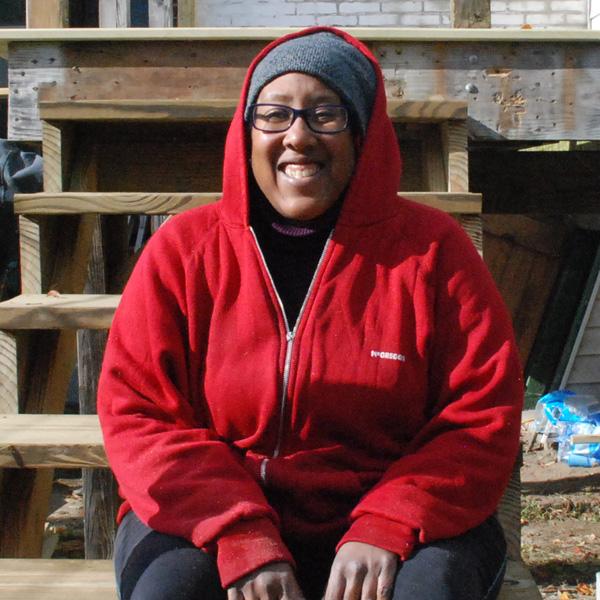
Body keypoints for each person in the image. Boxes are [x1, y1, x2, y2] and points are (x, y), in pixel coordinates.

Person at [97, 26, 523, 600]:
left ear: (363, 135)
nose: (297, 136)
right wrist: (239, 531)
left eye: (326, 114)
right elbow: (139, 412)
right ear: (247, 133)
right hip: (212, 510)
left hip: (394, 520)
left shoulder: (433, 254)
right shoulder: (183, 252)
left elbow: (479, 416)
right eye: (274, 115)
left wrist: (391, 521)